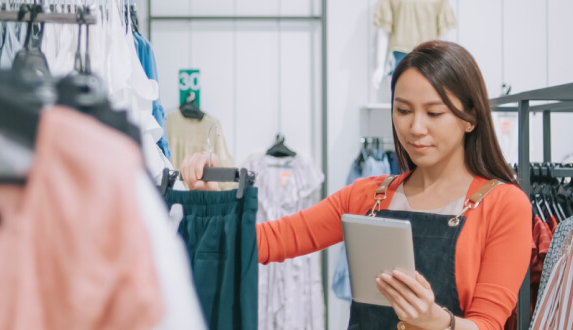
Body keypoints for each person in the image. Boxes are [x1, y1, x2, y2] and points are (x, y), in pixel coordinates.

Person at [180, 40, 532, 330]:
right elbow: (270, 242)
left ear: (470, 118)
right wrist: (216, 202)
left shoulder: (504, 205)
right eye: (403, 110)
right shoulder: (368, 194)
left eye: (434, 113)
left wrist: (438, 321)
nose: (415, 128)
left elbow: (487, 324)